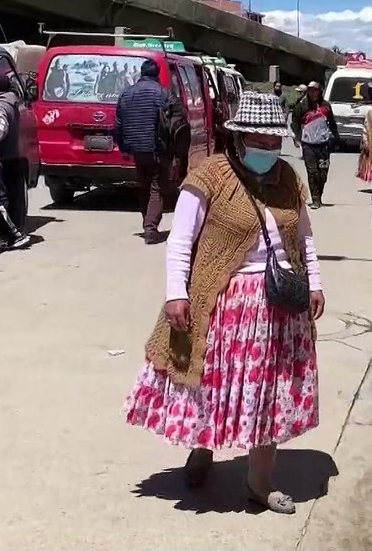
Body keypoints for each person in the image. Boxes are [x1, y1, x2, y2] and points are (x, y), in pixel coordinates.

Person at [127, 93, 324, 515]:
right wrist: (176, 293)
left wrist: (315, 283)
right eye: (261, 142)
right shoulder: (211, 174)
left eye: (275, 144)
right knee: (212, 386)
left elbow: (303, 236)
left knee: (268, 393)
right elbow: (180, 240)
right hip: (225, 304)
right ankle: (203, 448)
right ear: (239, 138)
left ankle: (259, 482)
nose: (269, 151)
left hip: (279, 310)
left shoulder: (288, 177)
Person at [114, 59, 184, 244]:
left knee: (144, 185)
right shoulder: (163, 94)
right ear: (157, 74)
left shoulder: (126, 94)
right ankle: (150, 228)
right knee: (157, 188)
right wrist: (177, 151)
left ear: (141, 73)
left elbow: (118, 124)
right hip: (158, 149)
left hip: (137, 149)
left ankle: (147, 223)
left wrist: (123, 146)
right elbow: (179, 123)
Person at [0, 74, 31, 251]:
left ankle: (17, 234)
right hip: (12, 156)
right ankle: (4, 237)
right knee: (12, 197)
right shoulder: (13, 103)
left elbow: (1, 126)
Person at [293, 81, 339, 209]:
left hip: (324, 145)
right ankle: (315, 199)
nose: (313, 93)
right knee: (312, 172)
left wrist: (336, 138)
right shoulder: (301, 107)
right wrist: (298, 138)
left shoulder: (326, 106)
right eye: (310, 90)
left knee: (322, 173)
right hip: (308, 146)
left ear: (320, 92)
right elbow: (294, 123)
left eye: (315, 90)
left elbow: (332, 123)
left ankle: (320, 194)